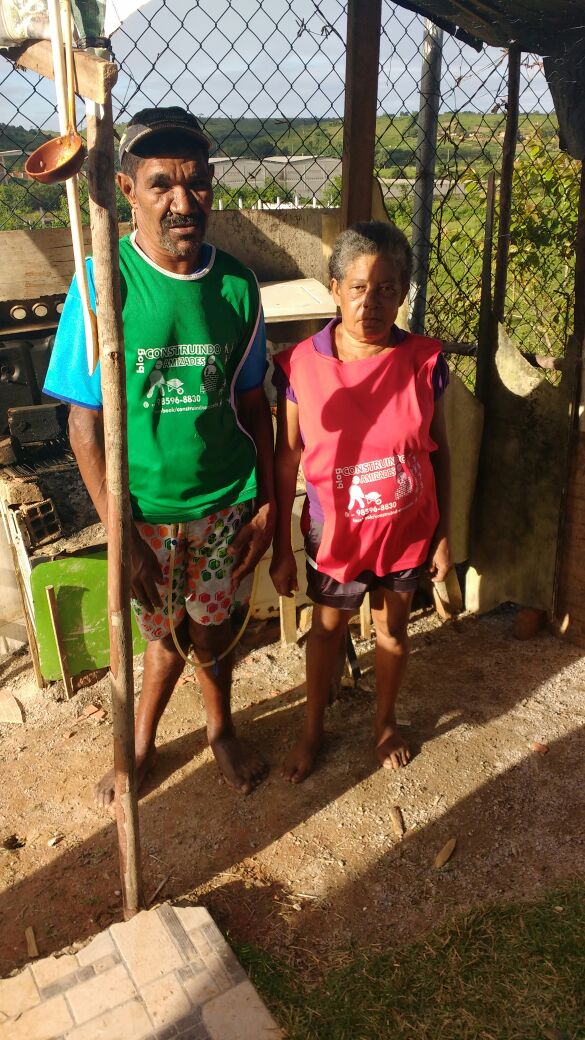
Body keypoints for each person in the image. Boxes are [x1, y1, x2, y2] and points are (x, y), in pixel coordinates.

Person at [43, 107, 275, 803]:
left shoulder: (235, 286)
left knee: (212, 626)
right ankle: (140, 743)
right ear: (127, 190)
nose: (183, 202)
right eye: (161, 184)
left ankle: (219, 729)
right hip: (142, 514)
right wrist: (120, 533)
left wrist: (267, 503)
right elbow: (84, 429)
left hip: (223, 503)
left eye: (197, 182)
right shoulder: (100, 286)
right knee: (161, 634)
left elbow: (255, 406)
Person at [270, 221, 451, 783]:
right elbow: (287, 457)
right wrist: (281, 546)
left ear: (403, 294)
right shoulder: (302, 366)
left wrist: (444, 535)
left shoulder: (424, 361)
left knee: (393, 630)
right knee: (327, 629)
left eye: (387, 290)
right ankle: (312, 731)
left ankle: (385, 724)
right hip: (336, 536)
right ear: (334, 289)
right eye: (357, 288)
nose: (371, 303)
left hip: (406, 531)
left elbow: (438, 451)